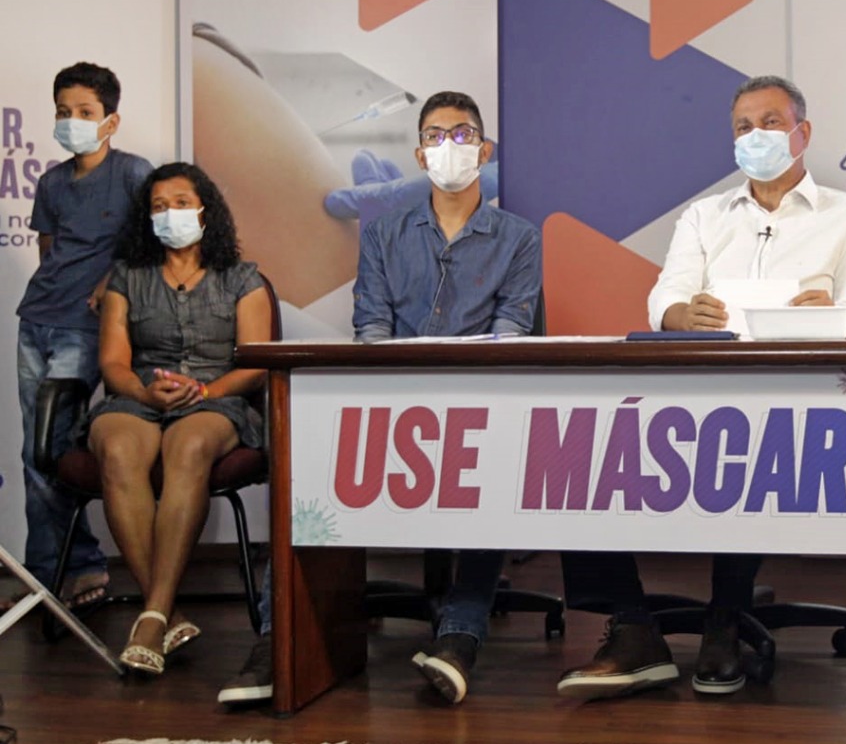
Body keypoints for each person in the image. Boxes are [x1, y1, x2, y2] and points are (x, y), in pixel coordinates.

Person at [557, 75, 846, 700]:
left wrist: (833, 312)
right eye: (743, 127)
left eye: (771, 123)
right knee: (581, 444)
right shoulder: (705, 215)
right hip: (699, 385)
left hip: (793, 397)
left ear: (803, 133)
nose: (756, 136)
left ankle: (724, 619)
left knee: (743, 439)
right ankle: (632, 625)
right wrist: (683, 313)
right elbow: (665, 301)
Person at [218, 91, 540, 707]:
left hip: (478, 403)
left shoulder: (518, 238)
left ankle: (459, 636)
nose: (449, 147)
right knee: (306, 471)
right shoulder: (387, 233)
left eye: (463, 134)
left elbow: (512, 330)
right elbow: (371, 325)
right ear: (420, 155)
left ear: (485, 150)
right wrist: (394, 388)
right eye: (436, 136)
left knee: (494, 470)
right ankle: (279, 639)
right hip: (391, 400)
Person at [85, 162, 273, 675]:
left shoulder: (243, 278)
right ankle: (164, 612)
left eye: (182, 203)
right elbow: (113, 364)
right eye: (159, 206)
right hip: (140, 395)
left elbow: (255, 365)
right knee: (117, 447)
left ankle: (152, 616)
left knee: (187, 446)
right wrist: (144, 392)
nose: (171, 214)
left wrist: (205, 390)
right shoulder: (127, 277)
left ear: (205, 211)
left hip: (217, 398)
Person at [7, 63, 151, 615]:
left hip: (86, 329)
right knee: (36, 450)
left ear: (111, 120)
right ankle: (54, 571)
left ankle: (67, 570)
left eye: (85, 112)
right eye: (63, 112)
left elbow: (146, 245)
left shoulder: (133, 173)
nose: (73, 121)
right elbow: (49, 249)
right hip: (36, 318)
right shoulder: (51, 183)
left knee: (53, 445)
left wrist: (110, 282)